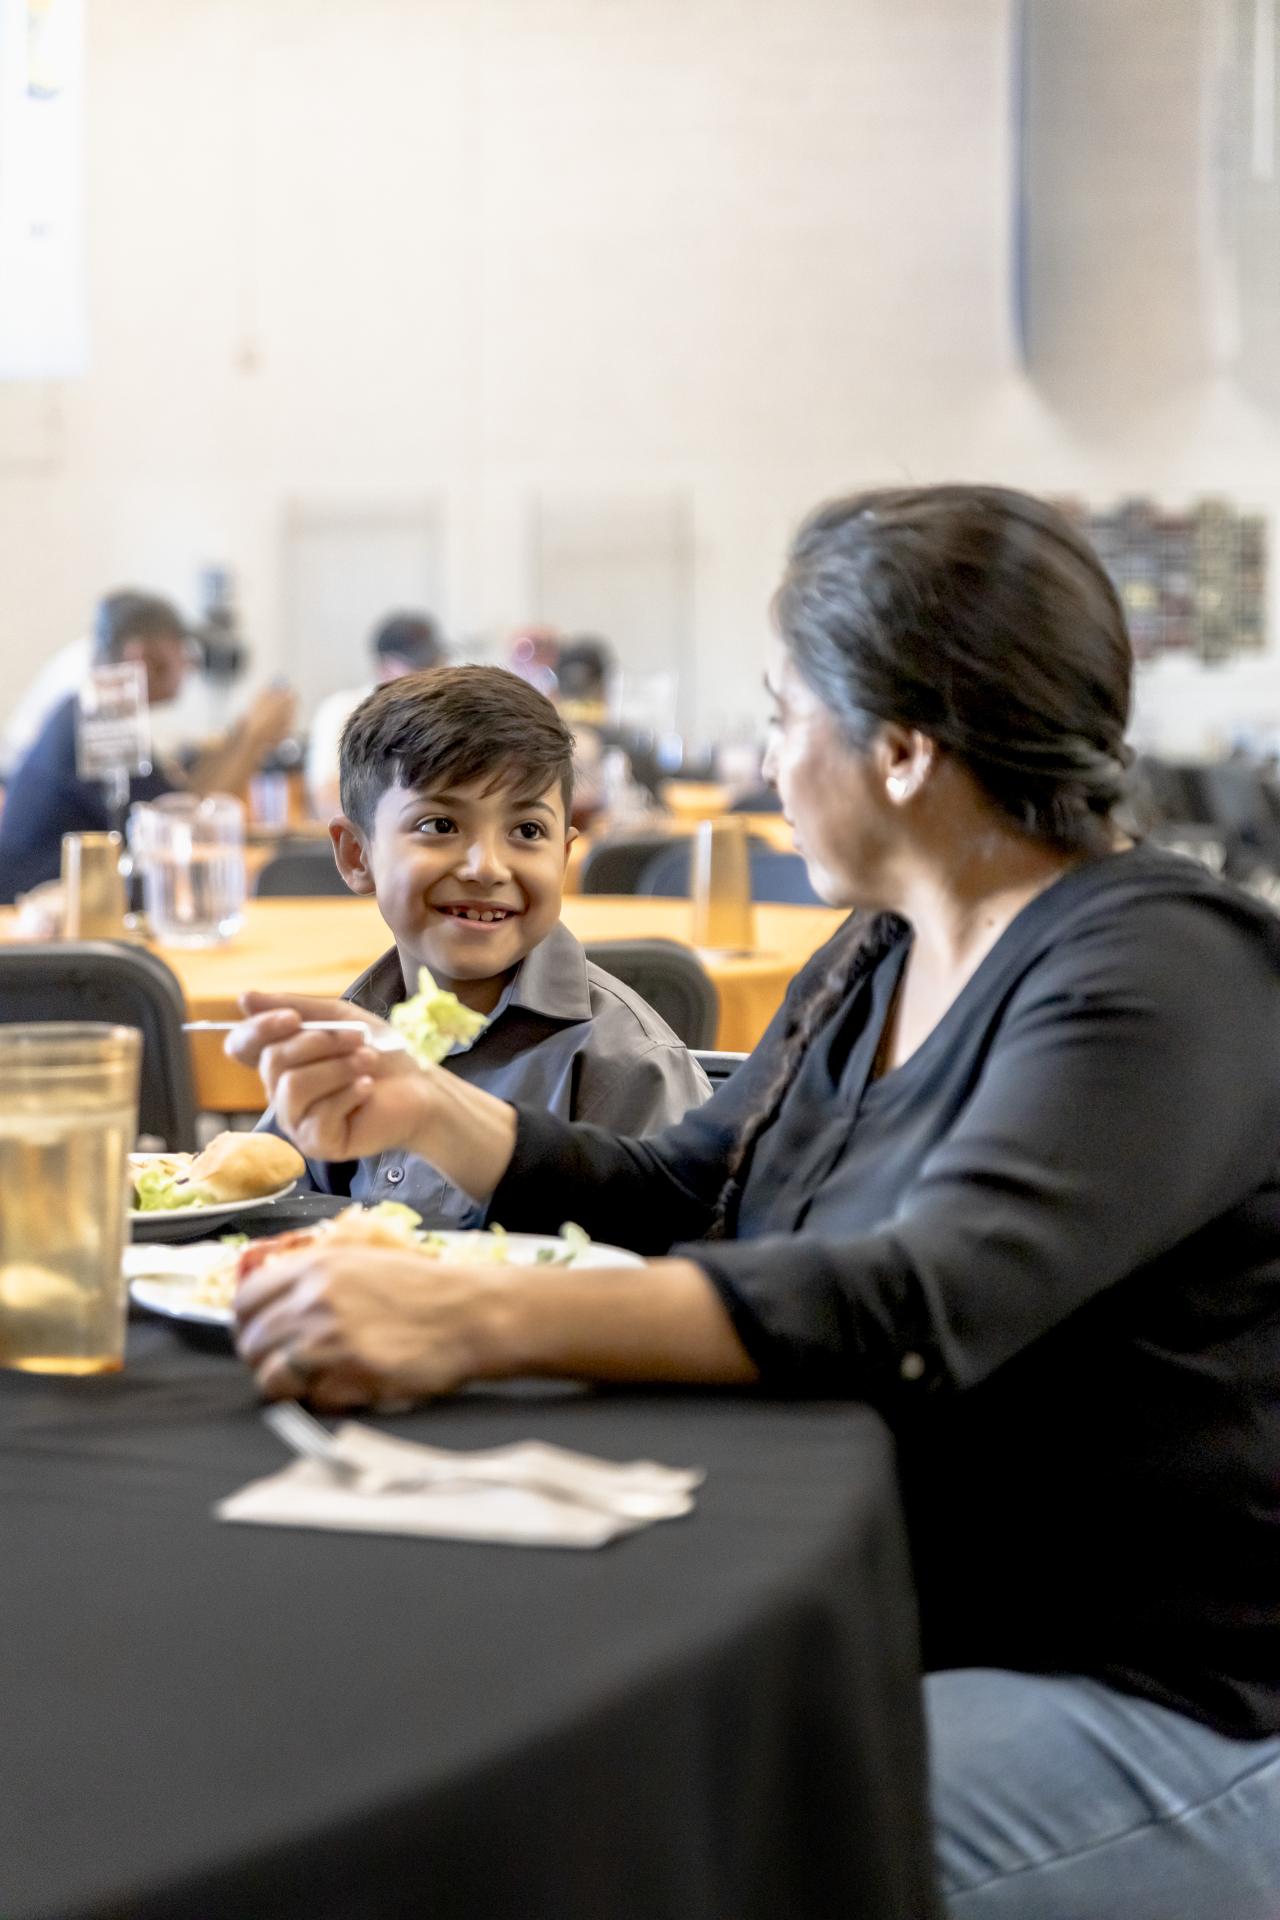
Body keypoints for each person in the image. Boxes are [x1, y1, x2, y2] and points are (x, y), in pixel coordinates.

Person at [228, 486, 1280, 1919]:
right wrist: (438, 1111)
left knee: (641, 1853)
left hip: (1150, 1695)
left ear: (902, 749)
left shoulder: (1165, 969)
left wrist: (479, 1310)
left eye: (787, 716)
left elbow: (917, 1303)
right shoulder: (881, 947)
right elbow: (689, 1185)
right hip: (879, 1613)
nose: (770, 762)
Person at [263, 663, 709, 1225]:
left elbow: (677, 1272)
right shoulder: (350, 1038)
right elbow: (266, 1207)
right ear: (357, 855)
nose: (487, 867)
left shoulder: (624, 1068)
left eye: (527, 831)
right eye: (440, 826)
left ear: (564, 857)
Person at [0, 590, 295, 904]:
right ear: (142, 656)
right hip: (34, 929)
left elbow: (184, 798)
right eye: (182, 649)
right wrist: (253, 737)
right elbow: (184, 829)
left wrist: (245, 735)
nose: (189, 664)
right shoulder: (99, 720)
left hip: (70, 916)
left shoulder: (87, 709)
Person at [305, 612, 445, 819]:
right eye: (418, 665)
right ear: (383, 668)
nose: (431, 672)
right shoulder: (343, 710)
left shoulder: (447, 713)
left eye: (435, 661)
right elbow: (326, 800)